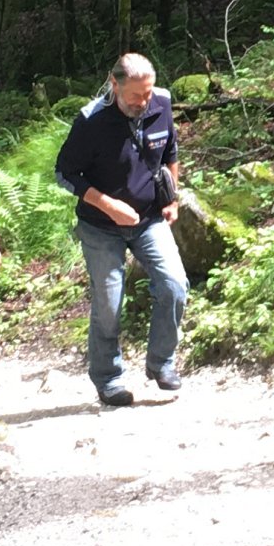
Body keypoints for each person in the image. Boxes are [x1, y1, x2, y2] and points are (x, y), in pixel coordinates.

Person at [54, 53, 185, 408]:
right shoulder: (91, 120)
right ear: (115, 85)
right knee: (109, 304)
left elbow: (170, 151)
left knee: (174, 285)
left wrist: (172, 198)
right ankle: (109, 378)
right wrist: (109, 205)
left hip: (149, 219)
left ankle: (161, 363)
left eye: (147, 93)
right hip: (100, 227)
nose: (143, 102)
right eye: (135, 96)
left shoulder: (162, 103)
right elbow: (65, 173)